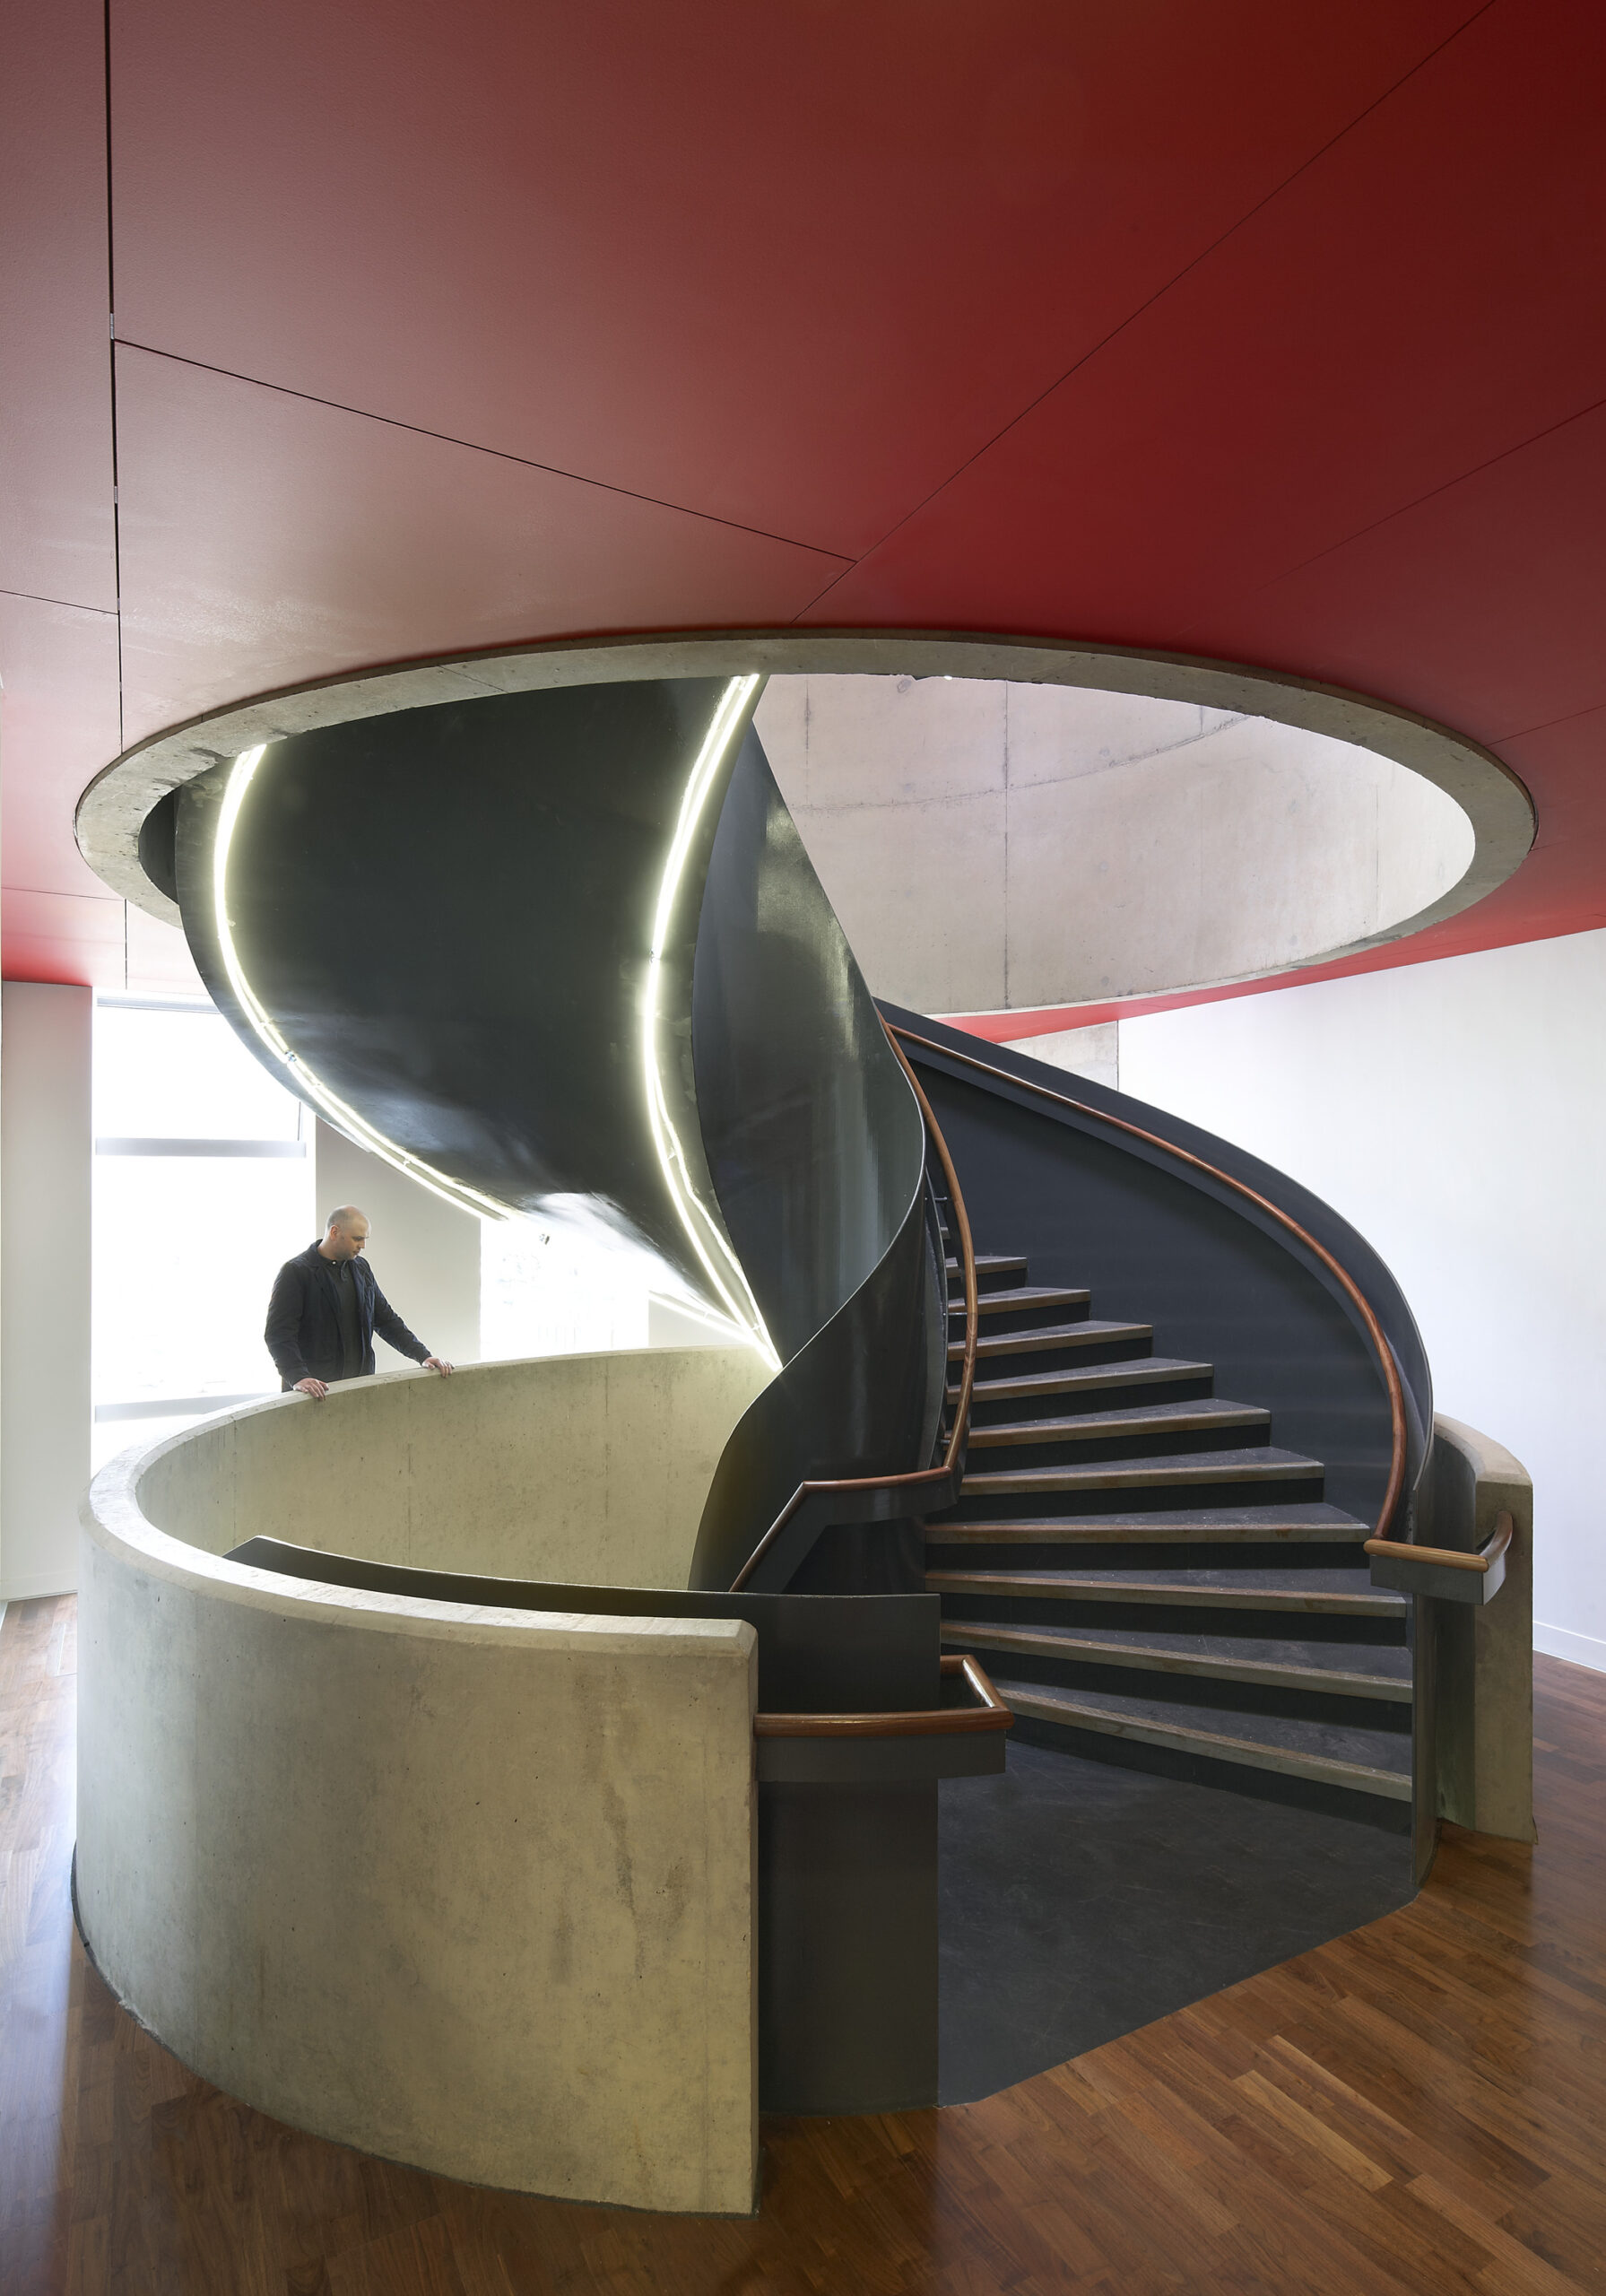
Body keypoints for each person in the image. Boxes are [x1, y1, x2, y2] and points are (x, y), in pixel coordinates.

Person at [265, 1205, 455, 1398]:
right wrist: (298, 1377)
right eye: (358, 1238)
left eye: (365, 1239)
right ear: (334, 1232)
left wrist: (423, 1355)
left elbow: (386, 1320)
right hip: (312, 1394)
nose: (362, 1245)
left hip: (359, 1389)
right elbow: (278, 1334)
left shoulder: (362, 1268)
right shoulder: (296, 1272)